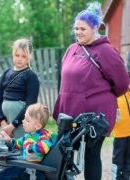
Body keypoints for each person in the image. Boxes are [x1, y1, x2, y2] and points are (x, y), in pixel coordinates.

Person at [53, 2, 129, 180]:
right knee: (64, 154)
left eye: (83, 29)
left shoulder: (106, 51)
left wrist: (99, 98)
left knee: (91, 156)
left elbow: (122, 83)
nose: (78, 32)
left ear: (95, 28)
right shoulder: (72, 49)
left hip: (93, 118)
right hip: (69, 113)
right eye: (76, 28)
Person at [0, 103, 58, 180]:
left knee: (8, 174)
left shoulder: (43, 135)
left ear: (38, 126)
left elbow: (46, 146)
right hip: (26, 166)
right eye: (24, 118)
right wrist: (10, 141)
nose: (23, 121)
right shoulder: (28, 136)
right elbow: (18, 144)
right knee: (4, 172)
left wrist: (31, 147)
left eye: (27, 120)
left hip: (32, 169)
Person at [0, 38, 39, 139]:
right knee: (4, 148)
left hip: (21, 122)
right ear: (13, 54)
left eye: (23, 56)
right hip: (5, 123)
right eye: (17, 55)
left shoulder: (31, 76)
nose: (19, 59)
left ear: (29, 57)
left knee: (20, 148)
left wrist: (12, 125)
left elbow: (30, 105)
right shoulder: (6, 73)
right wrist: (3, 122)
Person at [111, 73, 130, 180]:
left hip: (129, 134)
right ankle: (116, 178)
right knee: (118, 160)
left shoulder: (128, 94)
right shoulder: (115, 95)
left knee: (128, 160)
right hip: (120, 135)